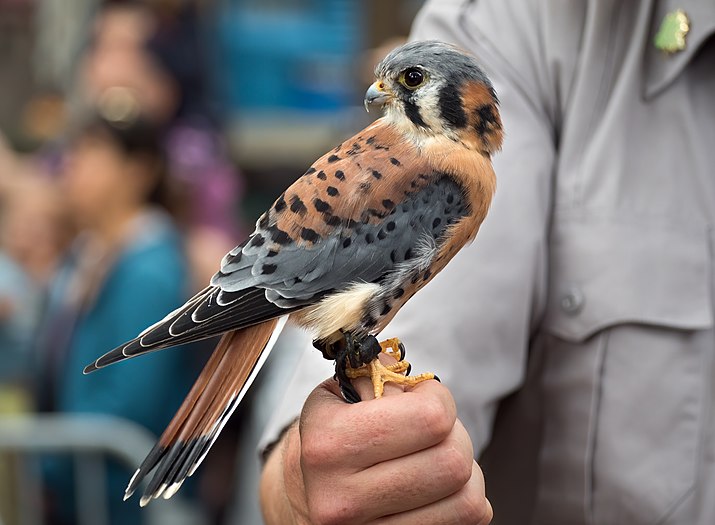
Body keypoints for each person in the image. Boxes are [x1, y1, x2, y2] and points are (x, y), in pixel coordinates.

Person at [258, 1, 715, 524]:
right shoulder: (511, 26)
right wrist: (326, 479)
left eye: (407, 81)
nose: (380, 94)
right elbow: (421, 349)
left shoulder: (460, 171)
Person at [36, 110, 196, 525]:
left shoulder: (150, 269)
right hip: (77, 494)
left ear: (138, 171)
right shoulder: (80, 257)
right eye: (72, 149)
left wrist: (40, 463)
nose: (72, 163)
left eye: (91, 151)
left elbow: (128, 404)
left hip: (126, 504)